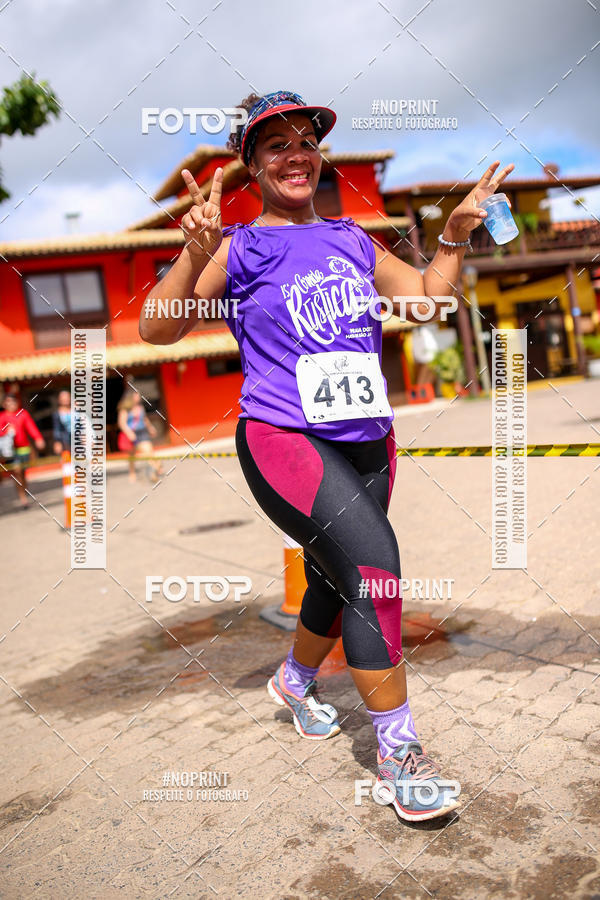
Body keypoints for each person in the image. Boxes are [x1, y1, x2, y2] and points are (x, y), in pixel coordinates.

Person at [140, 89, 515, 822]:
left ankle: (293, 680)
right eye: (275, 144)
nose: (296, 155)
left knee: (336, 577)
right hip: (282, 436)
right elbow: (157, 329)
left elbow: (426, 301)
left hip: (369, 439)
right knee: (373, 566)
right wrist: (194, 251)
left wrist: (453, 236)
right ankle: (399, 752)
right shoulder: (238, 247)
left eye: (306, 141)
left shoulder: (352, 239)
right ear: (251, 166)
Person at [0, 392, 45, 509]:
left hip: (23, 449)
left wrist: (38, 438)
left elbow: (31, 427)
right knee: (17, 471)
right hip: (10, 451)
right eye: (8, 402)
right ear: (4, 404)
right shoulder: (2, 417)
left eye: (13, 401)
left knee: (22, 474)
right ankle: (23, 498)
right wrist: (6, 431)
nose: (11, 404)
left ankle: (23, 491)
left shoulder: (23, 414)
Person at [117, 388, 164, 482]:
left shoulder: (140, 408)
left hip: (142, 432)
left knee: (148, 451)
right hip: (131, 434)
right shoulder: (125, 409)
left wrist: (150, 428)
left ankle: (155, 469)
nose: (139, 397)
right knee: (132, 456)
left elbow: (144, 419)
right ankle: (132, 472)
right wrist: (129, 433)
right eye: (136, 395)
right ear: (131, 397)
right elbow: (122, 423)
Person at [52, 390, 73, 455]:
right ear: (59, 400)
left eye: (67, 397)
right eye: (63, 397)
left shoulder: (76, 411)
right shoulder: (57, 414)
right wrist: (57, 442)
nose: (65, 399)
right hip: (65, 442)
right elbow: (57, 429)